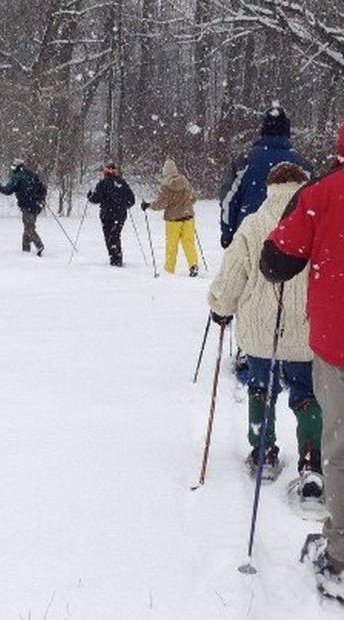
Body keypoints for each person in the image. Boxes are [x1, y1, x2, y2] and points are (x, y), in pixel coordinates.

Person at [260, 123, 344, 602]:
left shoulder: (322, 194)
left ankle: (340, 554)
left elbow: (277, 260)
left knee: (340, 449)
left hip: (338, 345)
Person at [209, 162, 323, 494]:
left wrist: (221, 307)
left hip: (260, 333)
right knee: (307, 396)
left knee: (261, 390)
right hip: (305, 331)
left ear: (270, 188)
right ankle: (312, 462)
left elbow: (233, 275)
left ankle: (263, 453)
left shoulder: (253, 224)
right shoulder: (315, 223)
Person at [219, 103, 313, 249]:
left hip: (248, 237)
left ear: (263, 130)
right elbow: (313, 207)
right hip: (289, 243)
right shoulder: (304, 166)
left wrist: (227, 233)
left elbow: (229, 200)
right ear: (287, 131)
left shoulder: (245, 160)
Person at [141, 159, 198, 277]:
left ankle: (169, 269)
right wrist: (185, 204)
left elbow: (161, 204)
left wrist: (148, 205)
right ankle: (193, 265)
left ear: (165, 172)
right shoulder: (185, 182)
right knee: (189, 243)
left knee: (172, 245)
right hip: (188, 217)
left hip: (173, 220)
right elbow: (193, 198)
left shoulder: (166, 186)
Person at [0, 160, 47, 256]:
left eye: (14, 167)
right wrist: (41, 199)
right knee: (28, 226)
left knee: (29, 228)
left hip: (27, 205)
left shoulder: (18, 177)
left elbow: (8, 190)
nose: (13, 169)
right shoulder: (31, 174)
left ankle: (39, 245)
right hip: (36, 205)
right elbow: (42, 188)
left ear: (18, 167)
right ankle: (25, 250)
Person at [87, 162, 135, 267]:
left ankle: (115, 258)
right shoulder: (122, 183)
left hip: (107, 215)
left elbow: (95, 199)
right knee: (115, 235)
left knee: (109, 236)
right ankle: (117, 257)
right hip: (120, 215)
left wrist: (89, 195)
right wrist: (124, 205)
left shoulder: (103, 184)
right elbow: (131, 200)